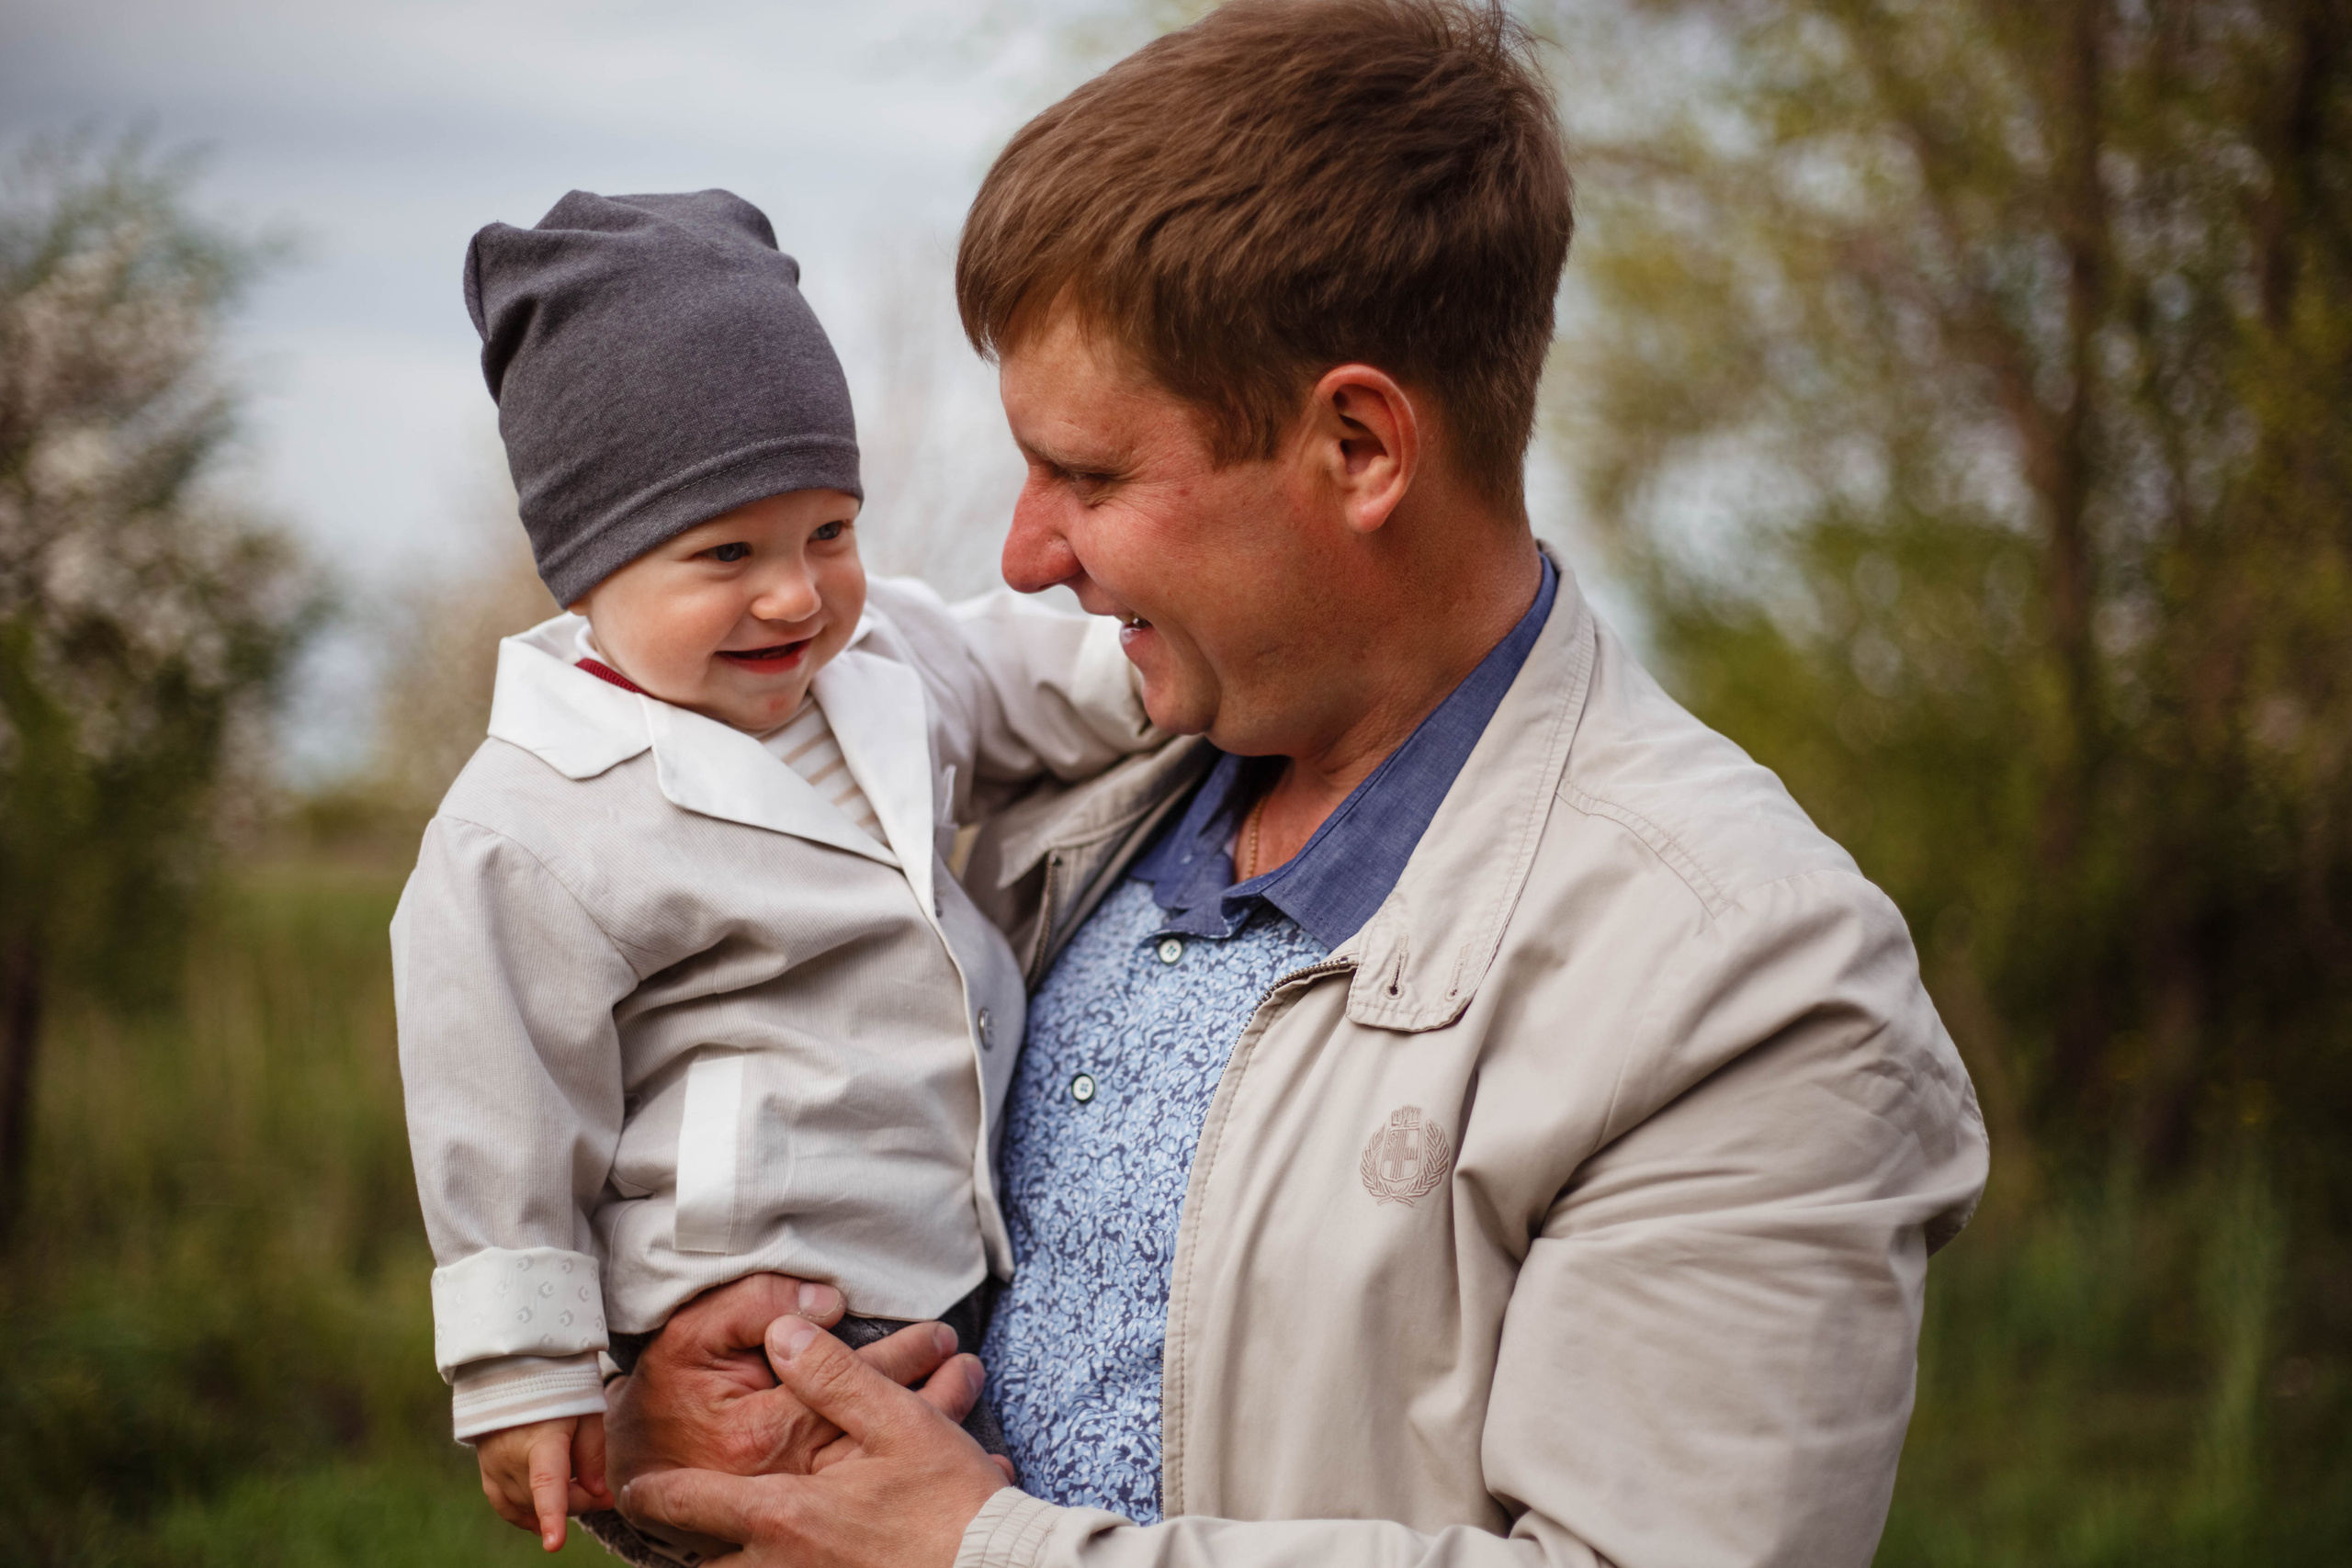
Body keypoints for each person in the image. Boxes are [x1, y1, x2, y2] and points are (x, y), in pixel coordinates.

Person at [599, 3, 1992, 1566]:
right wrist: (644, 1440)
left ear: (1358, 447)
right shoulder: (1028, 808)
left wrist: (979, 1558)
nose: (1024, 554)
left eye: (1095, 476)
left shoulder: (1750, 977)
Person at [390, 188, 1158, 1562]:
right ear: (589, 568)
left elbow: (1058, 681)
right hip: (753, 1329)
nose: (796, 596)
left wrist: (1183, 657)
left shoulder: (880, 670)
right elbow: (499, 1106)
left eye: (830, 533)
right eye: (726, 553)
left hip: (959, 1274)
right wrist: (526, 1376)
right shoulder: (532, 820)